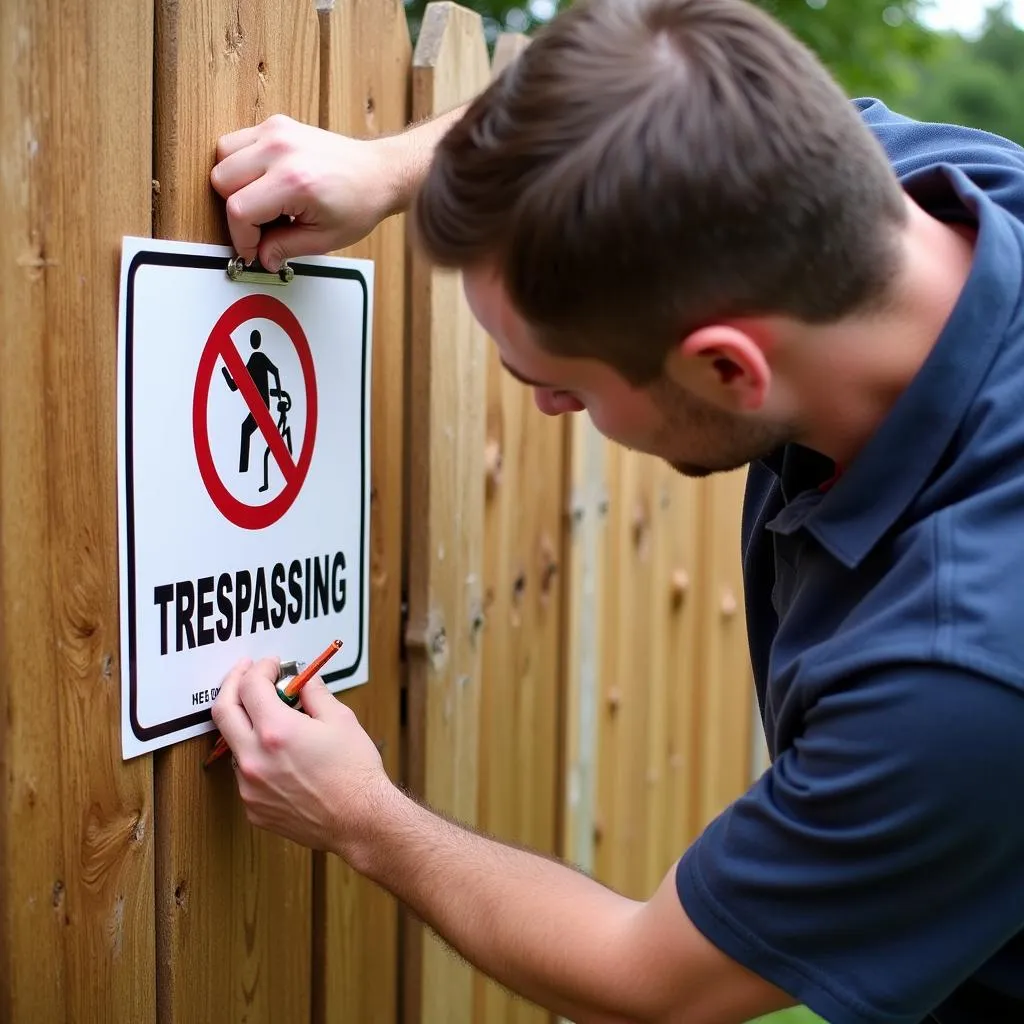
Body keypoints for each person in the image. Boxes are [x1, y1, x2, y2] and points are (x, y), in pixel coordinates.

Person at [208, 0, 1024, 1020]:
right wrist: (388, 169)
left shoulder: (962, 674)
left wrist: (363, 814)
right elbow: (634, 98)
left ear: (726, 367)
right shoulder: (914, 196)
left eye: (562, 383)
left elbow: (650, 978)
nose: (544, 408)